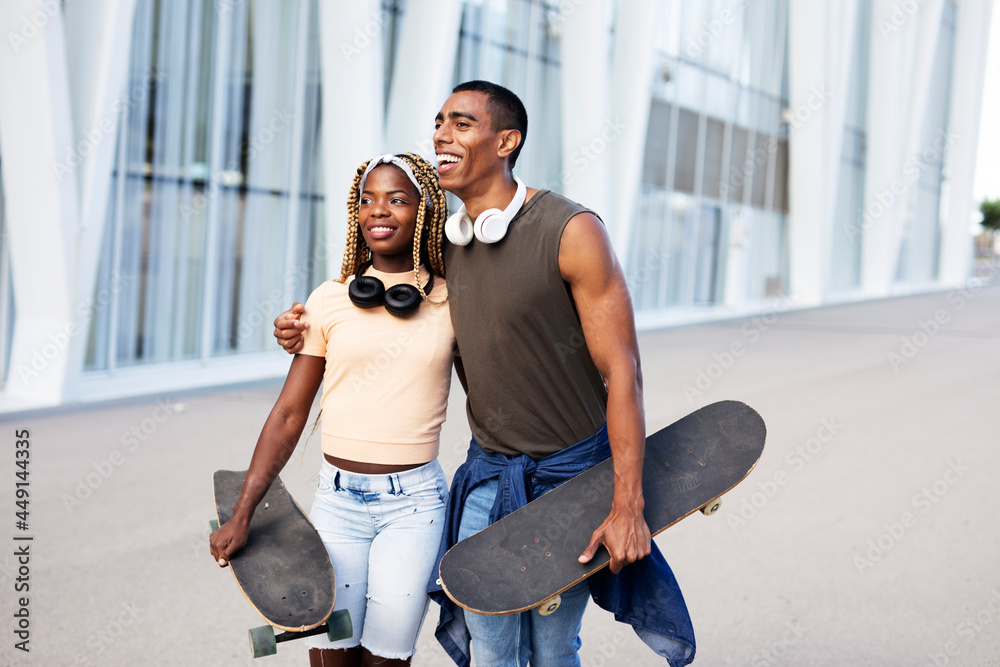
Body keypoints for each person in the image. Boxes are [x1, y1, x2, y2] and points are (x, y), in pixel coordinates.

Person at [274, 82, 696, 667]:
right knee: (488, 642)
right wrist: (299, 324)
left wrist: (626, 503)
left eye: (461, 124)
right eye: (439, 121)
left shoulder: (570, 230)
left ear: (507, 141)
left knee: (551, 647)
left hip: (569, 476)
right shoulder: (450, 249)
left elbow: (623, 371)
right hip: (487, 474)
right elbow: (379, 303)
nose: (442, 134)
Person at [210, 152, 456, 667]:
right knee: (331, 655)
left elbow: (494, 395)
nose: (377, 211)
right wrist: (243, 511)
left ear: (424, 211)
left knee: (386, 657)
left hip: (413, 510)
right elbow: (288, 414)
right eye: (367, 200)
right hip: (338, 505)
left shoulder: (452, 302)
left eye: (396, 199)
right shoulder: (328, 300)